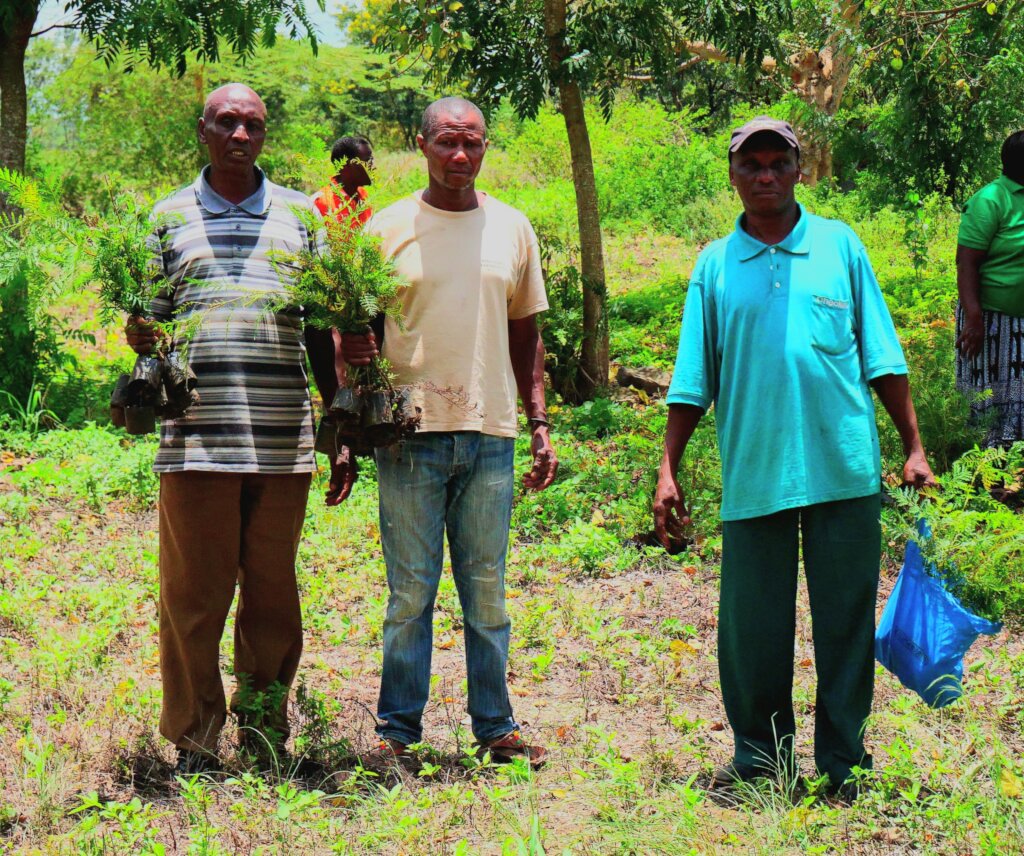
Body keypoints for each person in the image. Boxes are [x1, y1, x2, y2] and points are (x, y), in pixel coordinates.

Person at [652, 117, 936, 796]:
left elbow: (883, 357)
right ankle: (760, 761)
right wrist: (667, 468)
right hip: (755, 471)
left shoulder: (840, 246)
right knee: (753, 630)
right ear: (733, 176)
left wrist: (914, 446)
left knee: (843, 624)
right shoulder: (715, 265)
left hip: (843, 470)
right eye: (752, 166)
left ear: (799, 170)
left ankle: (843, 762)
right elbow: (694, 377)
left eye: (778, 163)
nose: (766, 176)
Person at [125, 83, 354, 775]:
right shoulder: (166, 218)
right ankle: (194, 739)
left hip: (284, 438)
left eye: (252, 124)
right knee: (193, 596)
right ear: (203, 130)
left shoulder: (301, 217)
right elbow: (147, 326)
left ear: (266, 133)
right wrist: (140, 333)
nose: (240, 135)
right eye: (226, 122)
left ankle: (262, 734)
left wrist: (338, 417)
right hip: (195, 437)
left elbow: (318, 329)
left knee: (274, 595)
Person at [341, 96, 558, 767]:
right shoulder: (385, 228)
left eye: (473, 143)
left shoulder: (513, 228)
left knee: (486, 591)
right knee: (411, 593)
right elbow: (356, 336)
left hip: (490, 433)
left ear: (486, 147)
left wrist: (540, 423)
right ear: (422, 144)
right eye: (447, 143)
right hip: (410, 435)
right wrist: (348, 421)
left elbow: (528, 336)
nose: (460, 156)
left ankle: (495, 726)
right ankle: (397, 732)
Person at [955, 130, 1024, 447]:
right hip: (993, 320)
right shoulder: (990, 200)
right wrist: (973, 318)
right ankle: (986, 459)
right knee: (992, 392)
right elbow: (966, 263)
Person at [312, 135, 374, 228]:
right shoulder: (320, 203)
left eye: (372, 160)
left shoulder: (364, 196)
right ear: (347, 165)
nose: (373, 166)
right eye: (367, 161)